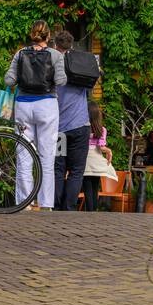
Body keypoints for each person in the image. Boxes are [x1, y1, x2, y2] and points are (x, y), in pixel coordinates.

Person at [4, 20, 67, 210]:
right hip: (47, 105)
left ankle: (24, 202)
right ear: (49, 36)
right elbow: (61, 81)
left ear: (32, 35)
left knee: (23, 155)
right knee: (46, 156)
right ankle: (46, 203)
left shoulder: (20, 54)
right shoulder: (55, 55)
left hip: (23, 106)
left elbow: (9, 80)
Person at [52, 30, 90, 211]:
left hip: (59, 128)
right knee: (76, 171)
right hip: (80, 126)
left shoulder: (52, 64)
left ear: (55, 45)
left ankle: (56, 205)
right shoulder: (80, 63)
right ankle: (69, 208)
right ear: (72, 45)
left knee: (58, 169)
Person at [81, 102, 114, 212]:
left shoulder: (82, 128)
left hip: (85, 160)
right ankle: (94, 211)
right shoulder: (101, 129)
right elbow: (101, 147)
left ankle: (89, 211)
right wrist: (109, 151)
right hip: (96, 161)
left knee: (87, 188)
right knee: (95, 187)